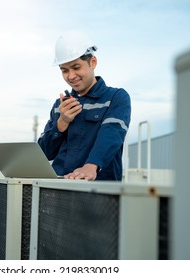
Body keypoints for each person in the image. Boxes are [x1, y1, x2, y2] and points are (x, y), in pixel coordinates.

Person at [38, 30, 131, 181]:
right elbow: (44, 153)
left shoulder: (116, 98)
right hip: (59, 188)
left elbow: (112, 134)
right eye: (64, 70)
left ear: (92, 62)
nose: (71, 76)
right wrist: (61, 123)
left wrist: (92, 165)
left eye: (76, 67)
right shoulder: (59, 106)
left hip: (100, 192)